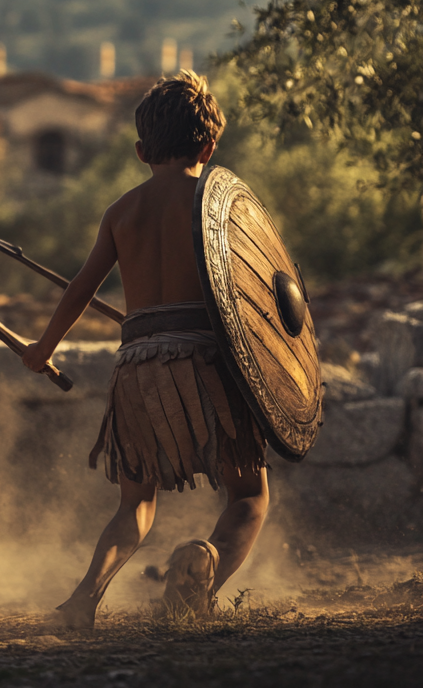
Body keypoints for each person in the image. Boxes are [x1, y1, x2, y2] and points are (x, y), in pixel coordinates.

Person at [20, 71, 269, 629]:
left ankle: (82, 601)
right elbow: (253, 295)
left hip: (137, 368)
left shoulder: (121, 210)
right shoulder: (216, 208)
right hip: (205, 363)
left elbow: (80, 289)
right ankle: (205, 568)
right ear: (209, 146)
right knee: (249, 494)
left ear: (139, 151)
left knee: (136, 502)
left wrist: (42, 348)